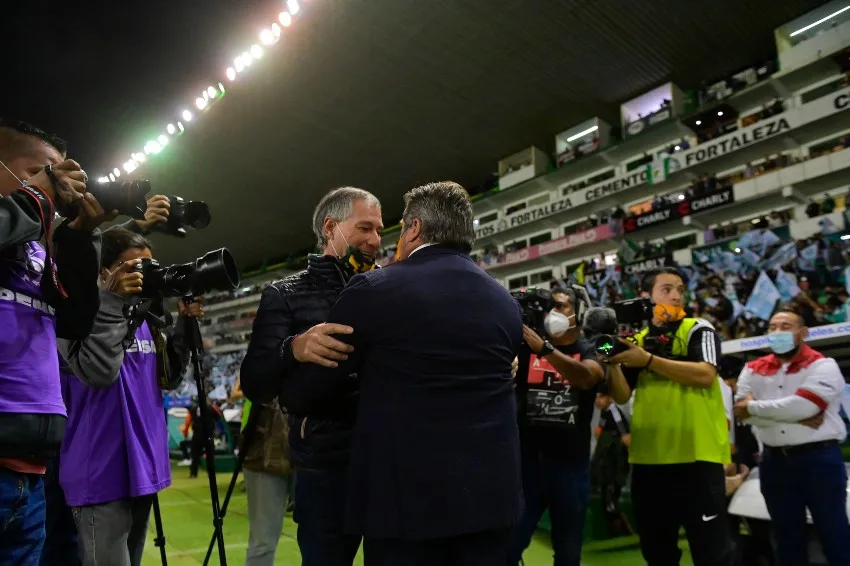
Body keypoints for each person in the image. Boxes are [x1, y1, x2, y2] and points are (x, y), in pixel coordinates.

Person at [287, 181, 523, 566]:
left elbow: (311, 389)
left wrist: (290, 357)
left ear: (413, 229)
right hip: (493, 504)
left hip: (407, 508)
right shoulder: (505, 303)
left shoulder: (375, 288)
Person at [240, 186, 383, 566]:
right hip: (325, 466)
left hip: (389, 460)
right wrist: (294, 348)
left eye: (379, 230)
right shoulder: (284, 293)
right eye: (365, 228)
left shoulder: (390, 288)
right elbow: (254, 381)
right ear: (331, 227)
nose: (375, 240)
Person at [0, 120, 113, 563]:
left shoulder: (35, 249)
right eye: (40, 170)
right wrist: (39, 193)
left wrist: (82, 237)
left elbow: (75, 323)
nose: (59, 182)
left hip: (31, 469)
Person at [57, 227, 201, 566]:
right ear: (103, 270)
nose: (144, 274)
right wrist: (111, 302)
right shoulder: (76, 314)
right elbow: (98, 372)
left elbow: (170, 378)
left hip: (143, 467)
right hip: (99, 468)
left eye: (149, 265)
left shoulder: (146, 318)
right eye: (132, 265)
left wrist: (184, 324)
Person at [603, 267, 735, 566]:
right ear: (646, 297)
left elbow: (705, 374)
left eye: (680, 289)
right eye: (667, 289)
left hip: (697, 456)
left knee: (712, 552)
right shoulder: (636, 338)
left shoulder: (698, 328)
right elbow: (621, 395)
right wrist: (611, 363)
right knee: (657, 552)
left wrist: (648, 360)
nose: (676, 295)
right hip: (649, 460)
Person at [733, 309, 850, 566]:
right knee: (786, 539)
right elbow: (740, 412)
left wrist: (755, 408)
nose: (777, 332)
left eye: (785, 326)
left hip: (819, 461)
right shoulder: (752, 368)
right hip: (775, 463)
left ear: (803, 332)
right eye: (772, 327)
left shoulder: (823, 365)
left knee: (835, 535)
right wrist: (793, 412)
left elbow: (805, 407)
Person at [507, 286, 607, 566]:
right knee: (509, 547)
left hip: (570, 468)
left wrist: (546, 350)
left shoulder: (593, 347)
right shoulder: (526, 346)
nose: (554, 312)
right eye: (550, 306)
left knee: (568, 552)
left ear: (578, 313)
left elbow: (589, 377)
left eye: (562, 306)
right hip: (527, 465)